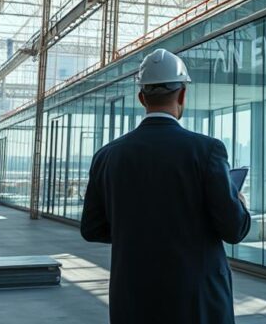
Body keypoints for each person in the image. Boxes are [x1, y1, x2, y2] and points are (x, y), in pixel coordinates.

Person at [81, 48, 250, 324]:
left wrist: (138, 230)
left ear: (141, 98)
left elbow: (92, 229)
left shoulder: (108, 155)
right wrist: (239, 204)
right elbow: (233, 229)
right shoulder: (206, 151)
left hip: (132, 298)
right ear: (182, 94)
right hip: (196, 301)